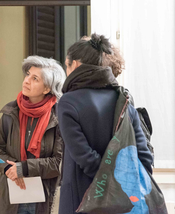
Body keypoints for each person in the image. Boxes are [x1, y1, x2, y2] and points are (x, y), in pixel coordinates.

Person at [58, 33, 153, 214]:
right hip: (127, 201)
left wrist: (108, 184)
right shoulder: (122, 98)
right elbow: (144, 154)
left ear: (75, 65)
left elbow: (84, 157)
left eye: (66, 65)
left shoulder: (68, 102)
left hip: (82, 199)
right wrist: (124, 185)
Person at [0, 56, 66, 214]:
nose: (26, 80)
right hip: (11, 195)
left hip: (42, 198)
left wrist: (23, 168)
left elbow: (59, 162)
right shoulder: (11, 112)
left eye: (35, 78)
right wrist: (10, 168)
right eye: (28, 74)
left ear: (47, 89)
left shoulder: (59, 118)